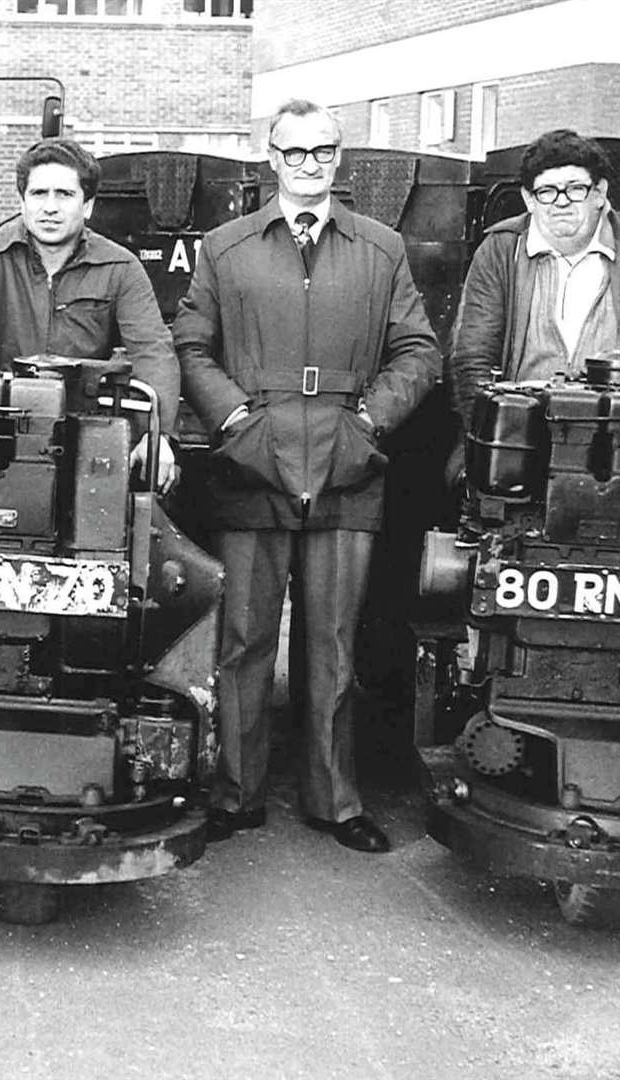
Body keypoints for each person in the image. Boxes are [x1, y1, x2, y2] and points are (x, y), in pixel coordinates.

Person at [173, 99, 440, 854]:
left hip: (347, 465)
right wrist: (232, 421)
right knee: (244, 638)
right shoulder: (226, 248)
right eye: (295, 153)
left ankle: (335, 799)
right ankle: (235, 791)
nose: (310, 165)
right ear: (272, 157)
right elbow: (190, 346)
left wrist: (369, 424)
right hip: (252, 462)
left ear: (340, 156)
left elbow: (418, 350)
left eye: (323, 151)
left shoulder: (381, 249)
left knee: (334, 641)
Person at [0, 137, 180, 489]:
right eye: (38, 194)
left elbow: (153, 351)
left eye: (65, 194)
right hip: (3, 436)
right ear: (22, 201)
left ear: (88, 206)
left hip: (89, 444)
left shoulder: (121, 268)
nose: (50, 207)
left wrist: (157, 435)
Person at [447, 128, 620, 455]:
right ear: (528, 199)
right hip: (519, 445)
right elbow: (472, 361)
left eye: (575, 188)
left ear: (599, 193)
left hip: (618, 448)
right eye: (546, 191)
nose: (561, 202)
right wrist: (495, 444)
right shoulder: (500, 251)